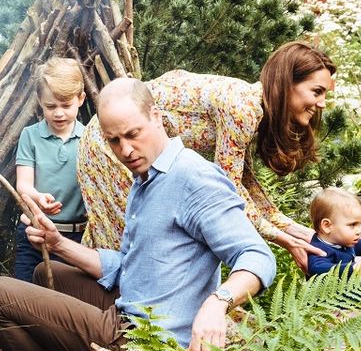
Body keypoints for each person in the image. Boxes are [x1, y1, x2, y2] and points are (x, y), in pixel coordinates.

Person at [0, 78, 276, 351]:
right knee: (45, 271)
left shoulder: (194, 178)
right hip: (133, 305)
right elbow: (132, 266)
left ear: (157, 117)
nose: (126, 150)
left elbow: (257, 257)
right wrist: (58, 244)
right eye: (114, 140)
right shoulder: (146, 178)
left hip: (147, 341)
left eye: (133, 134)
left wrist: (218, 302)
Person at [78, 41, 336, 273]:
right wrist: (282, 239)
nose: (322, 103)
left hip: (122, 140)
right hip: (107, 141)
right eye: (317, 91)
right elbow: (229, 190)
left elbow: (245, 182)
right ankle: (119, 320)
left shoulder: (252, 107)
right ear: (288, 84)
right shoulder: (242, 108)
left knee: (125, 238)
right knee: (130, 242)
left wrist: (297, 231)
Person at [13, 57, 88, 282]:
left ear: (81, 99)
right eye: (50, 106)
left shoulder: (89, 139)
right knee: (27, 297)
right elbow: (23, 185)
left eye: (66, 105)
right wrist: (37, 197)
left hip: (76, 238)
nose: (59, 113)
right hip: (34, 232)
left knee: (67, 303)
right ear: (40, 101)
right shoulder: (30, 136)